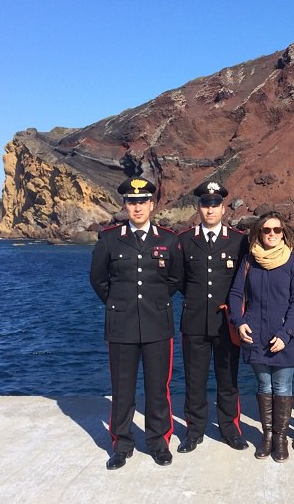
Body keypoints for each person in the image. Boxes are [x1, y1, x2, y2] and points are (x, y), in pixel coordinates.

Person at [89, 176, 183, 470]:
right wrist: (119, 303)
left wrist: (153, 301)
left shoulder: (168, 239)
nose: (138, 207)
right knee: (122, 387)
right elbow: (98, 279)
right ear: (125, 205)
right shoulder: (109, 238)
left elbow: (175, 279)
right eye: (132, 201)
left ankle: (159, 442)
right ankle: (122, 443)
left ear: (152, 204)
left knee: (158, 388)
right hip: (121, 324)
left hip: (157, 323)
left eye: (143, 201)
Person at [176, 181, 249, 453]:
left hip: (225, 323)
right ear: (199, 207)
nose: (210, 209)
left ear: (223, 207)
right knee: (194, 380)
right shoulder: (184, 240)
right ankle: (194, 431)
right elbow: (179, 280)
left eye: (215, 204)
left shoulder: (239, 240)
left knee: (228, 379)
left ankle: (230, 429)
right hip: (194, 321)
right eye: (205, 204)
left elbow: (244, 281)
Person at [229, 212, 294, 462]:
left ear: (283, 233)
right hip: (255, 334)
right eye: (266, 230)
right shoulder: (250, 259)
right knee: (264, 386)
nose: (272, 234)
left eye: (277, 230)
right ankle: (267, 437)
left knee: (282, 386)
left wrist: (286, 333)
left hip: (284, 334)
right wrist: (238, 323)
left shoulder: (292, 259)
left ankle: (280, 438)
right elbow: (236, 294)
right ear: (258, 233)